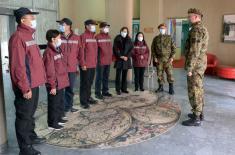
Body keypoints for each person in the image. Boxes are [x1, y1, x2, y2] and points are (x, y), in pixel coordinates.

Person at [9, 7, 46, 155]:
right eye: (31, 17)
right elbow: (19, 66)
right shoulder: (18, 37)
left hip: (34, 83)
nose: (34, 20)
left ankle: (31, 136)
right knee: (24, 116)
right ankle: (25, 149)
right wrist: (25, 88)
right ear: (23, 20)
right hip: (26, 85)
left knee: (30, 113)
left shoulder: (29, 35)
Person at [182, 8, 209, 126]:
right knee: (199, 88)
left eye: (190, 16)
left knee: (194, 90)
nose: (188, 18)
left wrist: (189, 68)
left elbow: (194, 51)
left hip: (195, 66)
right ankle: (199, 113)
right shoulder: (201, 28)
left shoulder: (196, 30)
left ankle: (196, 118)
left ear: (197, 17)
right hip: (199, 64)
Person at [43, 30, 69, 130]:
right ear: (53, 39)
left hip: (60, 81)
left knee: (58, 102)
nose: (60, 39)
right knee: (53, 103)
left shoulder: (57, 49)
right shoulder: (48, 52)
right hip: (54, 83)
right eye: (59, 38)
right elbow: (49, 71)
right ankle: (52, 123)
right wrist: (52, 86)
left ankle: (58, 118)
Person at [56, 18, 80, 113]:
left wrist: (79, 65)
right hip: (60, 68)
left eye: (63, 24)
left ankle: (69, 106)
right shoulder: (57, 37)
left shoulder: (76, 38)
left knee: (70, 89)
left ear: (69, 26)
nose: (61, 26)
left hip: (71, 68)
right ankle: (60, 107)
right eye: (60, 24)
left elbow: (79, 53)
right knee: (60, 89)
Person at [151, 23, 176, 95]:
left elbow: (174, 48)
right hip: (159, 59)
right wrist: (155, 57)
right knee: (159, 74)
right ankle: (160, 87)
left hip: (168, 59)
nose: (162, 30)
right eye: (161, 28)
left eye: (163, 28)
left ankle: (171, 88)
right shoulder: (156, 38)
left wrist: (172, 58)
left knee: (170, 73)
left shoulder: (170, 38)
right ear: (159, 29)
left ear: (166, 29)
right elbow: (153, 49)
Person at [79, 19, 98, 109]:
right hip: (85, 64)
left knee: (90, 82)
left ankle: (88, 97)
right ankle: (83, 101)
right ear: (87, 26)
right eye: (92, 25)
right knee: (84, 83)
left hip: (93, 64)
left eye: (95, 25)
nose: (94, 26)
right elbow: (81, 51)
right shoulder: (83, 36)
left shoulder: (93, 37)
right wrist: (82, 64)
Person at [113, 27, 134, 95]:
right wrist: (120, 56)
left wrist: (127, 57)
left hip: (126, 60)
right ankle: (118, 89)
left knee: (125, 75)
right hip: (119, 59)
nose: (124, 32)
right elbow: (115, 49)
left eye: (126, 31)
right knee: (118, 75)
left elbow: (131, 49)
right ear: (121, 31)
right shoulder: (117, 38)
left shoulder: (129, 39)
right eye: (123, 31)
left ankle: (124, 88)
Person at [95, 22, 113, 99]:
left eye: (108, 27)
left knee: (106, 77)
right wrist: (97, 60)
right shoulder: (97, 37)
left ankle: (105, 91)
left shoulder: (109, 36)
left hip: (108, 60)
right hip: (100, 61)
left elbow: (109, 48)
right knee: (99, 77)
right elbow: (95, 50)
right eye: (105, 27)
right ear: (101, 28)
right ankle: (97, 92)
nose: (107, 29)